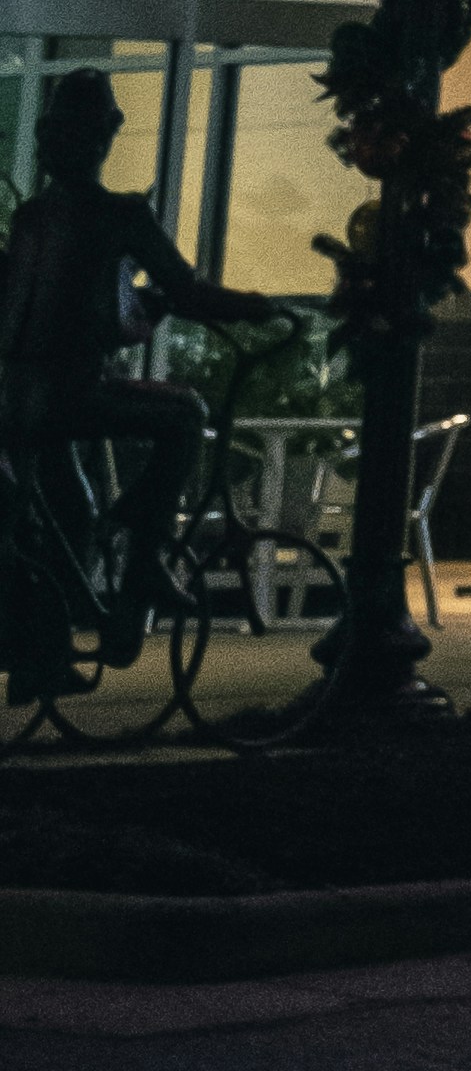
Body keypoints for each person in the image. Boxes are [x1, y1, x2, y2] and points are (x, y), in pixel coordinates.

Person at [0, 67, 279, 658]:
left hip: (22, 398)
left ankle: (51, 645)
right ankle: (147, 552)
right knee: (185, 414)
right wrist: (256, 306)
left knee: (69, 505)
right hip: (73, 391)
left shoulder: (31, 219)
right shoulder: (120, 215)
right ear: (107, 135)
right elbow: (189, 291)